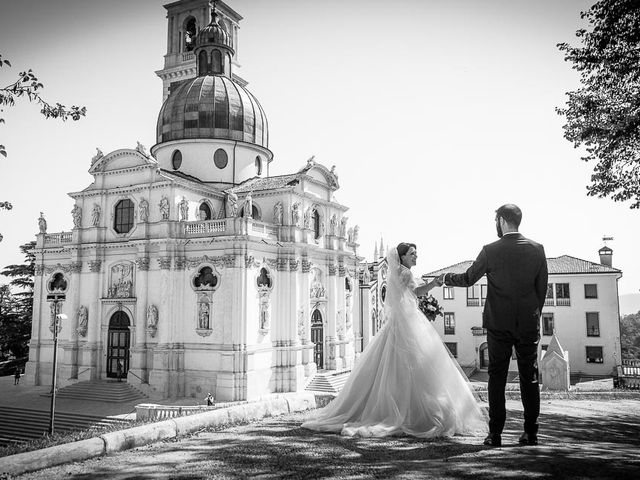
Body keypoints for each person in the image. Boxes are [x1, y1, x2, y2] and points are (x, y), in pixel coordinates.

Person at [302, 242, 487, 438]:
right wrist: (433, 284)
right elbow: (416, 293)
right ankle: (415, 411)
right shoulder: (405, 273)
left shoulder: (398, 272)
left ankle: (397, 407)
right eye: (412, 253)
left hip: (401, 321)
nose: (416, 256)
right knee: (418, 365)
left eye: (416, 253)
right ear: (403, 257)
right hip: (409, 320)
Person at [440, 204, 548, 447]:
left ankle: (495, 434)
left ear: (500, 220)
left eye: (495, 220)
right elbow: (541, 290)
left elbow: (468, 278)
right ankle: (531, 432)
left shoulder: (490, 250)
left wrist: (446, 279)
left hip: (498, 324)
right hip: (528, 324)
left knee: (496, 377)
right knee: (529, 377)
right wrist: (532, 315)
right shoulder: (538, 250)